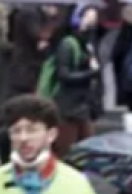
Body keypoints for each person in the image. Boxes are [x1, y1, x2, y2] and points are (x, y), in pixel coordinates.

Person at [44, 5, 102, 156]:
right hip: (67, 106)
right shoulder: (68, 44)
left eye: (94, 20)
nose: (91, 23)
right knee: (65, 148)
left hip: (83, 105)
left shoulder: (88, 45)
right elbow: (64, 75)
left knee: (89, 147)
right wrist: (91, 73)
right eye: (87, 18)